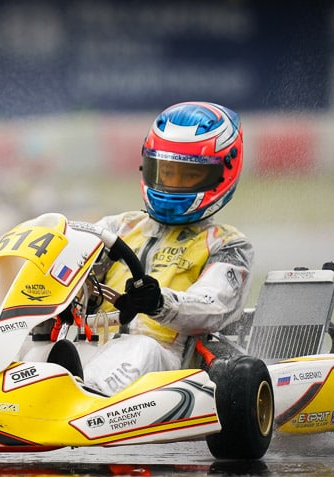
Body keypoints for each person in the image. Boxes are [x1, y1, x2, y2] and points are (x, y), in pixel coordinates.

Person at [79, 101, 253, 395]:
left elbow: (213, 306)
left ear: (223, 174)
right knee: (41, 345)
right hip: (94, 346)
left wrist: (159, 302)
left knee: (141, 347)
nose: (172, 185)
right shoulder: (118, 227)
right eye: (165, 172)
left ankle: (87, 398)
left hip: (169, 364)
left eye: (189, 175)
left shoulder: (228, 244)